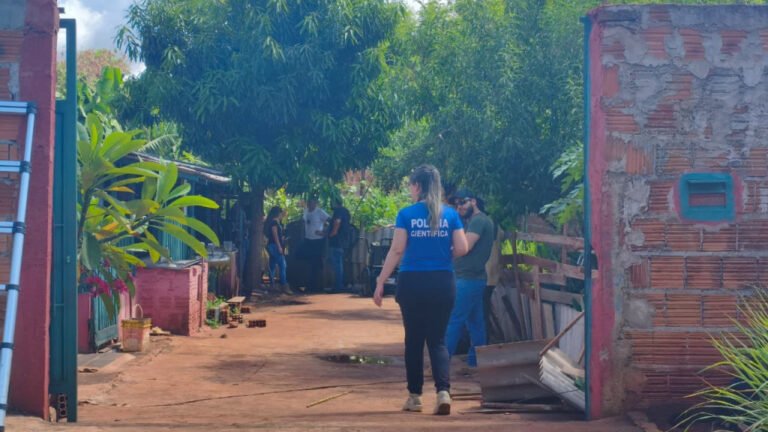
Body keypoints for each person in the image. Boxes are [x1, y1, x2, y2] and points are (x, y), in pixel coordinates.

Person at [373, 164, 468, 416]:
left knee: (414, 340)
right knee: (438, 340)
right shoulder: (450, 215)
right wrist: (443, 254)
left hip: (412, 282)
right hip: (442, 282)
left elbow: (397, 250)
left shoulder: (406, 214)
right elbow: (462, 248)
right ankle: (443, 392)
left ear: (417, 186)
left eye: (410, 185)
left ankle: (415, 397)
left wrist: (381, 281)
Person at [445, 189, 495, 368]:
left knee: (454, 320)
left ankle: (441, 363)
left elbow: (464, 247)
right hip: (474, 278)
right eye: (456, 204)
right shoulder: (475, 221)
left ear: (473, 201)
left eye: (462, 202)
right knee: (475, 323)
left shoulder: (479, 221)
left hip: (468, 280)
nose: (459, 206)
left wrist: (441, 254)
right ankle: (476, 362)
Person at [302, 197, 329, 292]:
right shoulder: (306, 211)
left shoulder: (320, 212)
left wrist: (324, 232)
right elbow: (304, 222)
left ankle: (318, 286)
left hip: (318, 240)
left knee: (317, 263)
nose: (310, 205)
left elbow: (330, 220)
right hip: (308, 240)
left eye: (312, 203)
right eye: (309, 203)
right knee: (310, 262)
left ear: (315, 203)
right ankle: (310, 285)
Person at [264, 206, 292, 295]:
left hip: (273, 246)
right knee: (283, 265)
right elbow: (275, 235)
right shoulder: (274, 223)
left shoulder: (275, 222)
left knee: (272, 265)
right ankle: (284, 285)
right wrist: (279, 246)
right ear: (278, 213)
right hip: (274, 246)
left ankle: (272, 284)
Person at [327, 198, 351, 293]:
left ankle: (338, 286)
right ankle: (339, 284)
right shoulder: (346, 211)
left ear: (335, 203)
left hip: (337, 241)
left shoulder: (338, 211)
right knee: (339, 262)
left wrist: (333, 232)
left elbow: (337, 221)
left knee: (337, 263)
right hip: (343, 241)